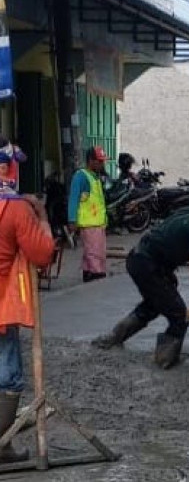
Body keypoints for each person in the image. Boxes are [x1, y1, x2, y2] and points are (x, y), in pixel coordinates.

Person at [91, 183, 189, 369]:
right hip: (148, 264)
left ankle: (112, 338)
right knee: (179, 315)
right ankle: (164, 360)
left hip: (138, 258)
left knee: (156, 303)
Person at [0, 193, 55, 463]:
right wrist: (42, 217)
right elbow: (43, 253)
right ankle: (1, 445)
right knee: (8, 377)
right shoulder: (16, 208)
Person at [67, 146, 108, 283]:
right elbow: (73, 198)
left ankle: (89, 272)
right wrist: (72, 220)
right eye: (99, 161)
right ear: (91, 161)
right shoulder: (81, 177)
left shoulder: (95, 177)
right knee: (94, 252)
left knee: (95, 251)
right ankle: (96, 274)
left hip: (98, 222)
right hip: (89, 223)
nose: (102, 164)